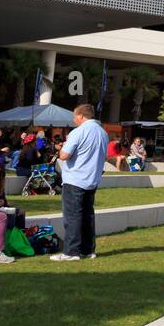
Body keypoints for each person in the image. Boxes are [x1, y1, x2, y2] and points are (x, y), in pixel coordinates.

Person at [50, 103, 107, 262]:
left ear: (81, 116)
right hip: (92, 179)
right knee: (87, 216)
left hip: (75, 179)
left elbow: (64, 155)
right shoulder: (103, 132)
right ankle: (88, 250)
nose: (74, 120)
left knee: (72, 217)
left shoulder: (78, 132)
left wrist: (59, 149)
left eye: (75, 116)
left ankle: (71, 252)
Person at [0, 155, 26, 231]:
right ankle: (9, 237)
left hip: (0, 207)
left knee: (21, 212)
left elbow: (3, 197)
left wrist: (3, 201)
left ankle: (20, 235)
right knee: (10, 214)